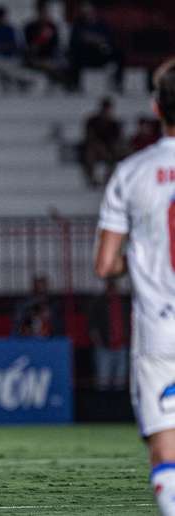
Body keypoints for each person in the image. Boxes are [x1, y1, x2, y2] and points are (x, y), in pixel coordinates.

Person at [94, 58, 175, 515]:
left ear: (155, 106)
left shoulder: (132, 172)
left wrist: (141, 256)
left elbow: (105, 265)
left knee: (167, 454)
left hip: (160, 333)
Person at [67, 2, 124, 94]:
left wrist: (97, 40)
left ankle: (117, 82)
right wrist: (87, 40)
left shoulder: (102, 24)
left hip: (100, 53)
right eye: (85, 10)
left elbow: (109, 39)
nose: (88, 12)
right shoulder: (78, 24)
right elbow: (74, 41)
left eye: (90, 10)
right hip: (84, 55)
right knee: (74, 56)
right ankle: (74, 84)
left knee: (119, 54)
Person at [88, 278, 129, 391]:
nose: (113, 289)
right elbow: (92, 325)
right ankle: (103, 406)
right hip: (104, 346)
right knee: (103, 381)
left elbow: (128, 322)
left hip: (121, 345)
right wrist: (98, 342)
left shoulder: (124, 303)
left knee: (120, 381)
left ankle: (117, 407)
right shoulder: (99, 303)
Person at [81, 97, 124, 187]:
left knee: (116, 155)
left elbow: (117, 139)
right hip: (95, 149)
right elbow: (90, 137)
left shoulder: (114, 124)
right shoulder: (92, 121)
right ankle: (92, 179)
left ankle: (107, 180)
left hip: (109, 150)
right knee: (90, 152)